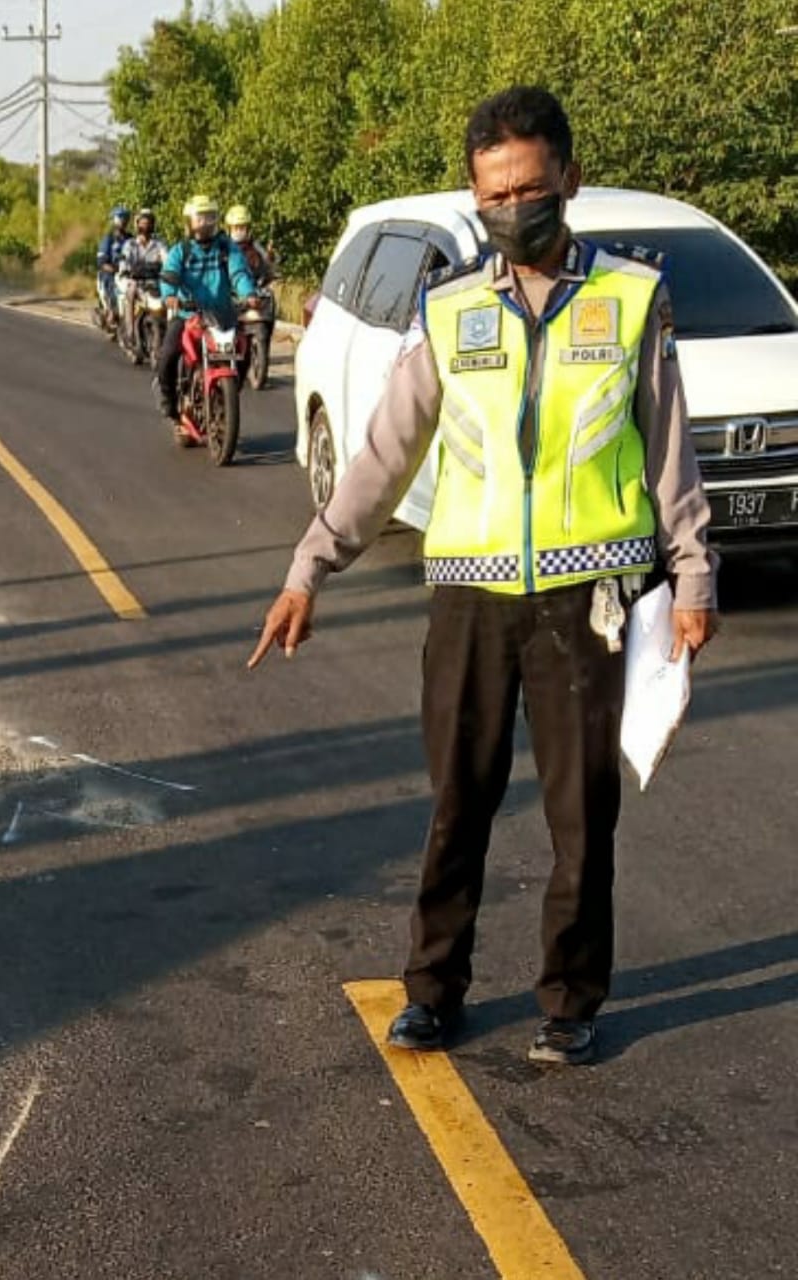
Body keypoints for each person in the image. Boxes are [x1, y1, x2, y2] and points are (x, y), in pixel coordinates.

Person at [248, 86, 719, 1066]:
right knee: (456, 801)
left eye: (529, 189)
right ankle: (432, 991)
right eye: (494, 195)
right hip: (468, 596)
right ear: (476, 198)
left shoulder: (631, 298)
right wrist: (309, 567)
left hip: (588, 596)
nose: (512, 209)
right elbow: (383, 455)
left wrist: (692, 576)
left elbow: (667, 447)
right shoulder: (449, 307)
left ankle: (570, 999)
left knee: (580, 812)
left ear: (569, 179)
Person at [154, 195, 257, 438]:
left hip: (223, 315)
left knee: (244, 352)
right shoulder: (181, 251)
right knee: (166, 357)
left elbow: (239, 273)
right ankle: (170, 404)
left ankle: (226, 395)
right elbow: (169, 275)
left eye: (210, 217)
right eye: (200, 218)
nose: (205, 223)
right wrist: (170, 296)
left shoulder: (227, 248)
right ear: (189, 222)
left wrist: (249, 294)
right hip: (188, 315)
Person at [117, 207, 167, 351]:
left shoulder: (159, 243)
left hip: (155, 282)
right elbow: (124, 261)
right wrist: (125, 270)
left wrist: (170, 269)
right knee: (130, 292)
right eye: (143, 222)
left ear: (153, 224)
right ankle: (130, 333)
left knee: (172, 295)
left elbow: (167, 259)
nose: (146, 225)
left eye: (149, 222)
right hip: (136, 281)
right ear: (137, 224)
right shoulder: (130, 244)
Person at [95, 205, 132, 332]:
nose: (123, 221)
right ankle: (112, 312)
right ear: (114, 219)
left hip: (128, 273)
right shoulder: (108, 239)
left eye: (125, 218)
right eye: (120, 217)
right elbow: (101, 262)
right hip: (110, 275)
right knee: (113, 291)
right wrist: (114, 270)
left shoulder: (131, 238)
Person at [225, 204, 275, 289]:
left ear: (248, 229)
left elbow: (269, 268)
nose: (238, 231)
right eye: (235, 228)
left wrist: (271, 258)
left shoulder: (255, 246)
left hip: (254, 290)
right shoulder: (223, 248)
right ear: (229, 229)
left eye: (242, 228)